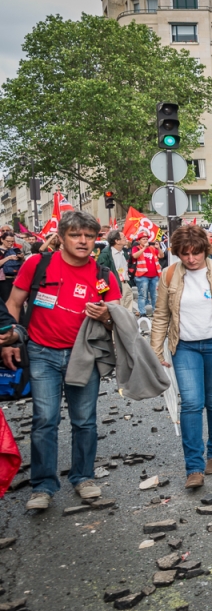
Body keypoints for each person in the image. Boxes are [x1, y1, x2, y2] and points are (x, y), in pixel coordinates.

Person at [3, 211, 120, 510]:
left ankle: (83, 477)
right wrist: (9, 341)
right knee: (45, 420)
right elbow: (13, 304)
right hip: (42, 353)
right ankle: (42, 486)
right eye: (75, 235)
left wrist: (107, 315)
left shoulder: (103, 276)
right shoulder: (37, 264)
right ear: (61, 237)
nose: (83, 241)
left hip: (84, 356)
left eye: (89, 236)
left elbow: (118, 320)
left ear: (96, 240)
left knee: (85, 421)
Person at [150, 225, 212, 488]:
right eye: (185, 254)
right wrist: (155, 350)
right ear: (178, 254)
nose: (191, 259)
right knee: (192, 403)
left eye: (195, 253)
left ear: (205, 250)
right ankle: (194, 467)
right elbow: (161, 315)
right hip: (184, 347)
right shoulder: (169, 275)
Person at [96, 230, 137, 314]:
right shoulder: (105, 254)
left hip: (126, 284)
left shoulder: (123, 253)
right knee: (118, 312)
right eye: (123, 237)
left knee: (128, 311)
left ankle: (127, 326)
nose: (126, 238)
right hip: (116, 285)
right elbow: (100, 274)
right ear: (116, 241)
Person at [132, 234, 161, 316]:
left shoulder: (152, 249)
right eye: (143, 239)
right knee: (143, 295)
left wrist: (158, 248)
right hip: (142, 276)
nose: (145, 240)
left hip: (154, 276)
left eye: (146, 239)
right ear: (139, 241)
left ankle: (155, 312)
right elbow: (134, 256)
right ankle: (142, 312)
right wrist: (144, 248)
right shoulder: (136, 248)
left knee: (154, 295)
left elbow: (161, 255)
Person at [0, 232, 24, 301]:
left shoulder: (16, 250)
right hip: (3, 280)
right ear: (2, 240)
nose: (10, 243)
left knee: (17, 300)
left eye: (12, 241)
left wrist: (21, 258)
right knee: (5, 300)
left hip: (15, 278)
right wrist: (9, 258)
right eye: (8, 241)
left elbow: (23, 264)